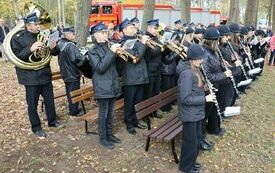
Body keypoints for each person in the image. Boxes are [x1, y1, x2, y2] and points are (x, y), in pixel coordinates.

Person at [11, 12, 61, 138]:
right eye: (36, 23)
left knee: (50, 101)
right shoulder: (18, 38)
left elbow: (55, 53)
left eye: (39, 23)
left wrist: (54, 47)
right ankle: (36, 128)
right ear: (28, 25)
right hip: (30, 78)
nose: (39, 25)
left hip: (44, 74)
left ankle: (53, 122)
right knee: (32, 104)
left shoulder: (42, 35)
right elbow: (16, 57)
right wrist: (30, 49)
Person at [177, 44, 215, 173]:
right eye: (200, 59)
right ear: (192, 59)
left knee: (197, 139)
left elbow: (196, 90)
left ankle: (192, 162)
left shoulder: (196, 70)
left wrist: (206, 90)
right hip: (189, 115)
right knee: (190, 142)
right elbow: (185, 98)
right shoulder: (187, 74)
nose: (202, 60)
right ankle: (186, 167)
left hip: (197, 112)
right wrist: (205, 99)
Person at [88, 22, 122, 149]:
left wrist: (118, 54)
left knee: (111, 112)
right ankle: (103, 138)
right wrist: (112, 53)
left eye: (105, 32)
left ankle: (110, 134)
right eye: (102, 32)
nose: (105, 34)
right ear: (95, 35)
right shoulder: (92, 51)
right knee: (103, 113)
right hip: (102, 86)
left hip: (113, 84)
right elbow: (100, 68)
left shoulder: (109, 46)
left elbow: (116, 67)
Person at [118, 18, 149, 134]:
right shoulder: (123, 44)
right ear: (124, 30)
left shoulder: (136, 40)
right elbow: (137, 57)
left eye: (134, 27)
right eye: (131, 28)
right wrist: (143, 43)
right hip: (130, 78)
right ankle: (129, 123)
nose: (134, 29)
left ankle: (136, 120)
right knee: (129, 102)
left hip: (140, 77)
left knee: (138, 101)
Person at [57, 26, 84, 116]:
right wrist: (84, 57)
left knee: (70, 92)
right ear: (67, 34)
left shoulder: (60, 43)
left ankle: (73, 109)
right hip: (72, 73)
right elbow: (77, 60)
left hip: (65, 72)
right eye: (73, 33)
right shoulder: (70, 46)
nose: (74, 34)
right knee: (74, 93)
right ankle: (73, 111)